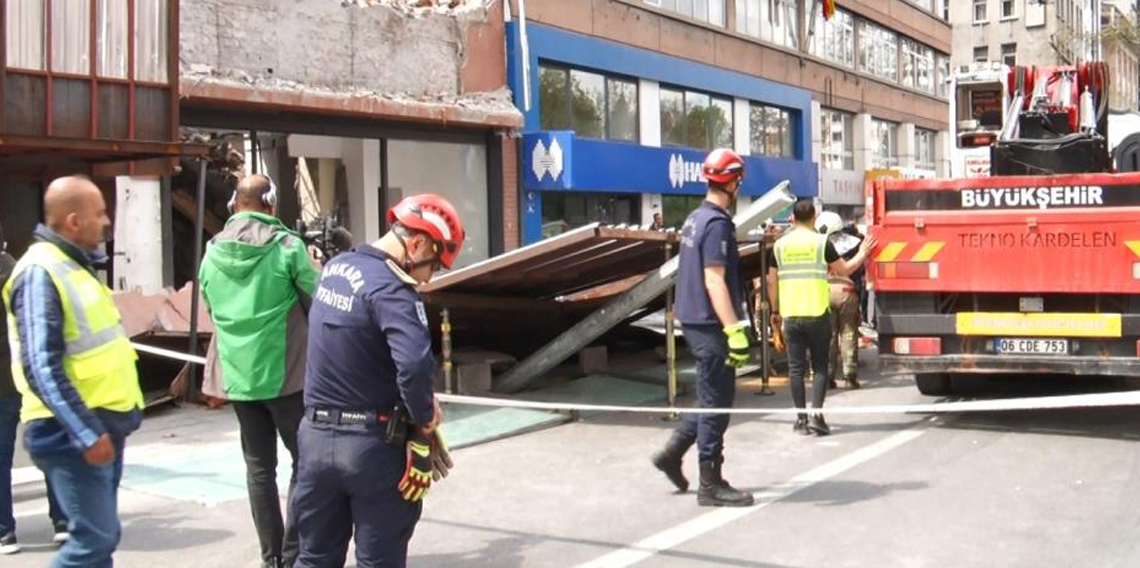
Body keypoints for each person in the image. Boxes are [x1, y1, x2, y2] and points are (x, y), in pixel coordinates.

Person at [293, 194, 463, 567]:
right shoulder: (393, 290)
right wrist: (422, 429)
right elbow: (415, 367)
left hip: (315, 442)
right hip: (371, 449)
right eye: (434, 265)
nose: (430, 277)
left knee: (314, 558)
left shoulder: (335, 269)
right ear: (417, 243)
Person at [3, 176, 144, 567]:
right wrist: (85, 432)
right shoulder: (40, 272)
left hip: (97, 426)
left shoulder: (75, 268)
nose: (106, 221)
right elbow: (40, 366)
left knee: (101, 539)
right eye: (98, 213)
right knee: (92, 541)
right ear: (73, 221)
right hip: (70, 431)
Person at [199, 174, 321, 568]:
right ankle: (293, 552)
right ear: (270, 205)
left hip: (239, 379)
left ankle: (271, 558)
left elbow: (210, 304)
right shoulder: (288, 247)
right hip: (287, 376)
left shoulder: (212, 251)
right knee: (304, 462)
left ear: (236, 204)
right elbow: (317, 301)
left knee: (258, 469)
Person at [651, 148, 754, 508]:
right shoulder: (717, 224)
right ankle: (710, 483)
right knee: (718, 405)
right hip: (711, 323)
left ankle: (672, 451)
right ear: (734, 182)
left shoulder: (694, 218)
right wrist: (734, 329)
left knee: (712, 396)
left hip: (693, 316)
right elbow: (714, 280)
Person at [767, 200, 876, 436]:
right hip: (817, 313)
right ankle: (817, 416)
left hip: (791, 315)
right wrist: (863, 252)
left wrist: (775, 312)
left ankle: (800, 420)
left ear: (793, 218)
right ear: (814, 217)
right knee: (819, 368)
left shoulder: (779, 245)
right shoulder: (821, 243)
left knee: (796, 369)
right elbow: (845, 269)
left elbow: (771, 282)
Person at [0, 222, 69, 555]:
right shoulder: (21, 274)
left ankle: (4, 532)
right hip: (24, 377)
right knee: (47, 449)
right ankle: (62, 522)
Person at [815, 213, 864, 390]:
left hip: (825, 291)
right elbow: (859, 274)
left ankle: (827, 377)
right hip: (847, 292)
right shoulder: (854, 245)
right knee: (849, 333)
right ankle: (850, 376)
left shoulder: (817, 245)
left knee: (829, 336)